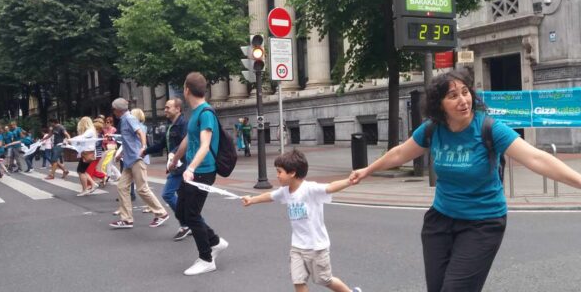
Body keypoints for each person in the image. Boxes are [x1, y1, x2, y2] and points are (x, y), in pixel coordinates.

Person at [349, 69, 581, 292]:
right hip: (440, 221)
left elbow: (536, 158)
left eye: (465, 92)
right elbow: (400, 153)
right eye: (452, 96)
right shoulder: (433, 130)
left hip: (482, 223)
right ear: (439, 104)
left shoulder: (489, 128)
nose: (463, 100)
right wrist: (368, 170)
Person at [242, 150, 361, 292]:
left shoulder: (310, 189)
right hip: (297, 247)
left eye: (279, 172)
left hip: (316, 247)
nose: (277, 175)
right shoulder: (285, 191)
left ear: (292, 173)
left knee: (325, 280)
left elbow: (330, 187)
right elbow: (270, 196)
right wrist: (252, 200)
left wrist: (349, 181)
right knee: (298, 281)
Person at [168, 72, 228, 276]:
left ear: (186, 90)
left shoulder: (206, 113)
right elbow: (188, 140)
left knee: (191, 215)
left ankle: (206, 258)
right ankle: (215, 242)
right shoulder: (195, 113)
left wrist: (191, 168)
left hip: (202, 171)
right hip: (191, 171)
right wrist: (176, 160)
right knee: (182, 213)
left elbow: (205, 145)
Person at [109, 98, 169, 229]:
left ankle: (161, 213)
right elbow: (129, 140)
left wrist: (143, 147)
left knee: (142, 188)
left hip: (136, 159)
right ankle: (126, 219)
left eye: (113, 109)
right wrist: (122, 153)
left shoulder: (129, 118)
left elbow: (140, 132)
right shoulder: (124, 119)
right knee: (121, 186)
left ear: (118, 110)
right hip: (130, 160)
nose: (113, 112)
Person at [144, 98, 192, 241]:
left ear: (178, 109)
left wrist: (174, 157)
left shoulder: (184, 124)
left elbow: (186, 143)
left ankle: (185, 224)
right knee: (184, 199)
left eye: (167, 107)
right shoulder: (171, 126)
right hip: (175, 166)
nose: (165, 110)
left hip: (181, 166)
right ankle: (190, 223)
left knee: (167, 194)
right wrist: (145, 151)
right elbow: (161, 145)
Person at [70, 116, 100, 196]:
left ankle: (85, 189)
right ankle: (93, 184)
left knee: (80, 171)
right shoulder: (91, 131)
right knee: (82, 170)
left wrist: (70, 140)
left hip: (87, 153)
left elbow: (81, 138)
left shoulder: (89, 131)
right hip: (87, 152)